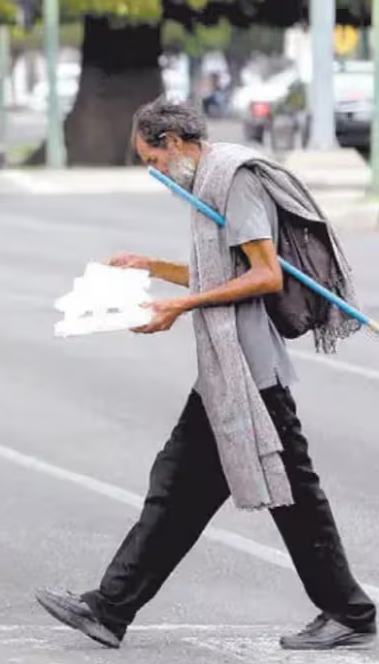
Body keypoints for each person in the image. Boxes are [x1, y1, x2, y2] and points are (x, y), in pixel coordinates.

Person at [34, 98, 376, 651]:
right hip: (228, 369)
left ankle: (351, 613)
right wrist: (151, 266)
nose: (155, 172)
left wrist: (182, 306)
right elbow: (223, 270)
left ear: (173, 141)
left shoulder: (232, 178)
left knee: (286, 496)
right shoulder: (207, 183)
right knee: (181, 488)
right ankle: (110, 607)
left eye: (154, 160)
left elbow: (264, 276)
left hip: (250, 371)